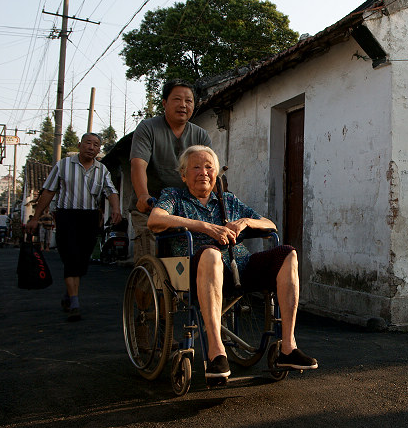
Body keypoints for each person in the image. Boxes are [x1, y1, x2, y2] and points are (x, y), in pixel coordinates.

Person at [148, 145, 318, 380]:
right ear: (184, 174)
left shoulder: (227, 201)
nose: (204, 172)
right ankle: (216, 353)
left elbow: (270, 225)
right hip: (198, 268)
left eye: (209, 167)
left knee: (287, 254)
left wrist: (245, 222)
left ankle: (287, 348)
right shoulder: (173, 196)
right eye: (196, 167)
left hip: (239, 267)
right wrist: (205, 227)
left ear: (216, 174)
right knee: (210, 254)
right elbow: (155, 220)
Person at [28, 133, 122, 321]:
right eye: (88, 143)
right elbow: (48, 191)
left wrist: (116, 208)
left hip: (89, 218)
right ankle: (75, 302)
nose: (91, 147)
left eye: (96, 145)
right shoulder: (63, 165)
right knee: (70, 257)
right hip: (66, 216)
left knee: (82, 259)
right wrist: (35, 217)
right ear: (79, 145)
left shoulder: (101, 170)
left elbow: (111, 191)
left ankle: (68, 294)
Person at [129, 79, 211, 263]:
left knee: (188, 265)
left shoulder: (200, 135)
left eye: (188, 101)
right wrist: (143, 195)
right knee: (150, 261)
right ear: (164, 103)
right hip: (150, 208)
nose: (183, 105)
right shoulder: (148, 128)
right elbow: (138, 164)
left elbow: (209, 172)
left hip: (185, 210)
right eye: (177, 99)